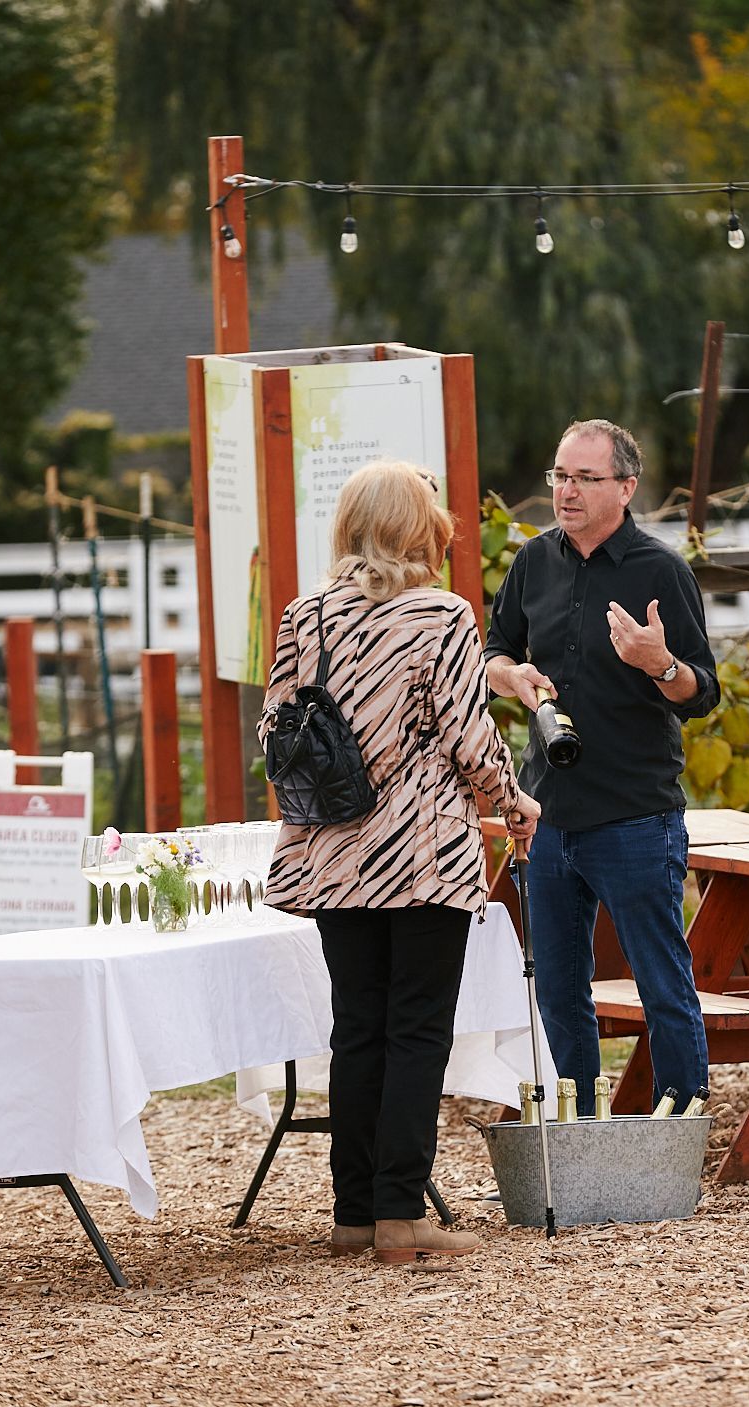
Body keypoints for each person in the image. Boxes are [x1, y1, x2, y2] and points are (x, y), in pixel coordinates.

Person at [259, 462, 540, 1265]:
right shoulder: (443, 617)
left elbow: (274, 731)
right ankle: (400, 1216)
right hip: (420, 854)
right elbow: (467, 737)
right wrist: (512, 799)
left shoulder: (304, 616)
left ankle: (353, 1212)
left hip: (334, 853)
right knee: (417, 1031)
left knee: (359, 1029)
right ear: (420, 527)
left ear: (349, 526)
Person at [485, 419, 720, 1116]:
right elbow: (494, 650)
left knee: (659, 978)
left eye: (586, 478)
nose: (567, 490)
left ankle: (682, 1121)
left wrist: (660, 664)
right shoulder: (533, 562)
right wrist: (509, 677)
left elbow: (701, 692)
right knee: (557, 985)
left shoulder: (660, 571)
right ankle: (579, 1123)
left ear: (626, 486)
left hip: (635, 814)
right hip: (548, 811)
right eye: (560, 475)